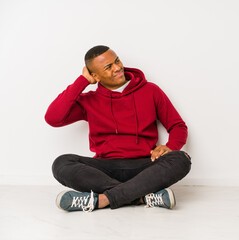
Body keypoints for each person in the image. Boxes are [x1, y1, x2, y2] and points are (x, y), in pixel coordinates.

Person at [45, 45, 191, 212]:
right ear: (95, 75)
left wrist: (170, 147)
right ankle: (142, 197)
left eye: (117, 61)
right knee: (61, 163)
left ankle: (102, 200)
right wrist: (83, 81)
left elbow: (177, 126)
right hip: (104, 169)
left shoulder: (151, 91)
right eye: (108, 67)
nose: (117, 68)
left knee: (181, 158)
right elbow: (53, 118)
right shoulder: (89, 101)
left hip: (145, 166)